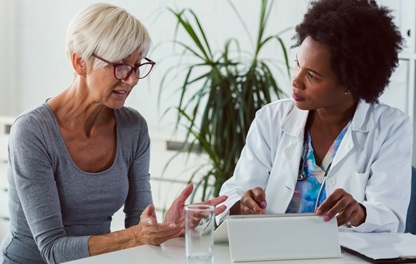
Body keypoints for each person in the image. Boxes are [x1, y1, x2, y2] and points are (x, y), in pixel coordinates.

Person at [0, 3, 226, 264]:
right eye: (120, 66)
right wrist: (139, 235)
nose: (131, 79)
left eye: (137, 66)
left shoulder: (133, 127)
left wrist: (165, 228)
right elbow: (52, 249)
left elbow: (139, 225)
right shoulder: (32, 132)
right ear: (80, 62)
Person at [217, 0, 412, 233]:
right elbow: (232, 194)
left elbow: (390, 216)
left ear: (350, 83)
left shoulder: (391, 128)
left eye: (312, 75)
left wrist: (360, 213)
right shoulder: (270, 119)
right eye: (298, 64)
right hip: (270, 251)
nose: (296, 81)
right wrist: (242, 204)